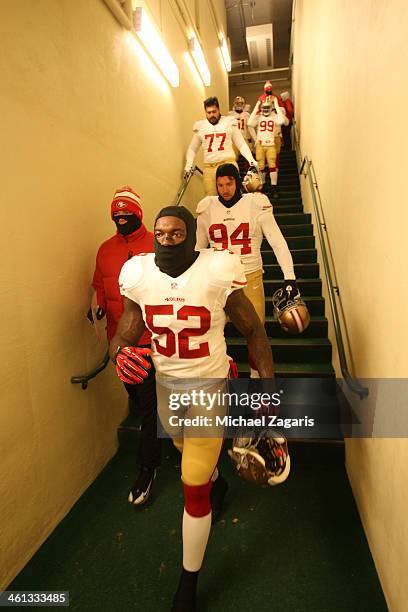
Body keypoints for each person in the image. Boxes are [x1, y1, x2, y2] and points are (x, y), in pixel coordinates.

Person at [109, 205, 275, 611]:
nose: (166, 240)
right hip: (167, 384)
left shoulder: (216, 269)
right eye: (160, 234)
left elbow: (253, 330)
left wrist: (266, 394)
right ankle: (217, 478)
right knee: (186, 452)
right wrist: (119, 355)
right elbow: (126, 329)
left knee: (192, 481)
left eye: (176, 234)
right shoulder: (139, 274)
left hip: (208, 384)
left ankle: (188, 582)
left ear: (191, 234)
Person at [91, 186, 161, 505]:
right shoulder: (105, 250)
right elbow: (98, 286)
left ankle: (147, 468)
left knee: (148, 407)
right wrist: (97, 306)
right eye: (115, 216)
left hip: (149, 341)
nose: (121, 220)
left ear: (138, 215)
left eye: (126, 215)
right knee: (137, 397)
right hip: (117, 344)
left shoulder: (156, 244)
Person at [195, 163, 299, 378]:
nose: (225, 189)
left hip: (248, 277)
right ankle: (217, 376)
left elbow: (277, 241)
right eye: (220, 184)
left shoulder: (255, 203)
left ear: (237, 182)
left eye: (229, 183)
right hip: (217, 279)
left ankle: (256, 382)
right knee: (208, 332)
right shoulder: (207, 208)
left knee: (256, 333)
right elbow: (197, 249)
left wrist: (290, 277)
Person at [184, 96, 258, 196]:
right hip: (209, 167)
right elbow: (192, 148)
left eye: (214, 111)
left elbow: (240, 144)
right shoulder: (201, 126)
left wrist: (251, 160)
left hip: (228, 163)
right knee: (211, 199)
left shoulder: (228, 122)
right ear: (205, 112)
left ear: (219, 109)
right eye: (209, 112)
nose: (212, 115)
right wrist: (188, 165)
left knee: (232, 197)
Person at [248, 95, 289, 197]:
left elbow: (282, 121)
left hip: (271, 143)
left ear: (271, 108)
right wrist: (256, 138)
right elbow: (249, 123)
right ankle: (262, 185)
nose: (266, 110)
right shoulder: (259, 116)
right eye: (264, 107)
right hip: (261, 144)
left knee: (272, 165)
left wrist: (276, 104)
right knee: (260, 166)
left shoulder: (275, 116)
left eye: (268, 107)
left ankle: (273, 187)